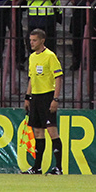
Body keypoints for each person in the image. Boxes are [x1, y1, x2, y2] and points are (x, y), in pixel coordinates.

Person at [22, 29, 64, 175]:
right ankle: (37, 167)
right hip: (36, 97)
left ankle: (59, 167)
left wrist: (55, 99)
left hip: (47, 96)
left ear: (42, 41)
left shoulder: (50, 56)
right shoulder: (32, 57)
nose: (31, 43)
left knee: (52, 131)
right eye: (30, 40)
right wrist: (27, 97)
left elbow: (58, 77)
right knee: (38, 131)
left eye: (34, 40)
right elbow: (31, 79)